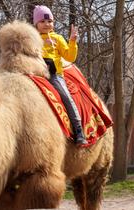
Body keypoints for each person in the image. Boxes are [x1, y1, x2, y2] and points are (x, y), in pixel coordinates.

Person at [33, 5, 87, 145]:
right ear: (36, 23)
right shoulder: (31, 38)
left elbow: (70, 57)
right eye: (42, 21)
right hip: (35, 75)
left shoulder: (58, 38)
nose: (46, 24)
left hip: (54, 76)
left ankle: (79, 130)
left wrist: (72, 41)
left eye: (49, 21)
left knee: (66, 96)